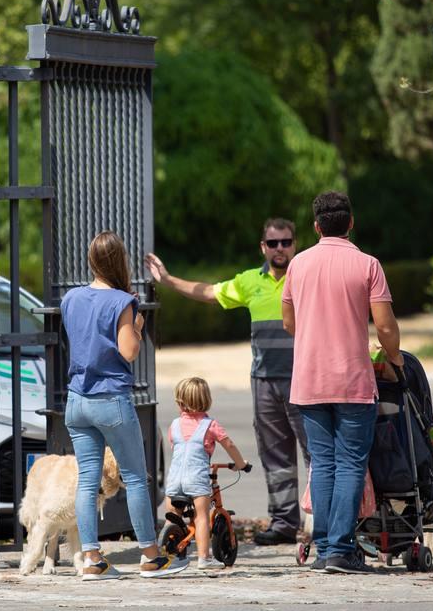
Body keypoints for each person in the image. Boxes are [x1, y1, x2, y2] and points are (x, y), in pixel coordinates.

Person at [144, 219, 307, 546]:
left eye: (285, 242)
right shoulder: (250, 281)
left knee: (317, 454)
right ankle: (285, 523)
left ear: (294, 244)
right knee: (276, 457)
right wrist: (168, 280)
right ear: (263, 246)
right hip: (264, 383)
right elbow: (208, 292)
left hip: (304, 379)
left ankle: (327, 527)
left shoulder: (306, 277)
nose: (279, 249)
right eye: (273, 243)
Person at [281, 192, 401, 575]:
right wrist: (394, 355)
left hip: (309, 380)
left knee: (323, 463)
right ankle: (342, 549)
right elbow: (383, 324)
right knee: (351, 463)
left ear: (316, 226)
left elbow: (289, 322)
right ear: (351, 223)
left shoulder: (297, 265)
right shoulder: (367, 264)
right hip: (352, 379)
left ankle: (322, 548)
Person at [62, 231, 189, 580]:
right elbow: (128, 351)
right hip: (110, 399)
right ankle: (150, 556)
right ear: (120, 261)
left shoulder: (71, 298)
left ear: (91, 260)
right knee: (134, 478)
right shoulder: (122, 302)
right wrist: (137, 322)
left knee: (87, 482)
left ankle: (92, 560)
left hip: (77, 400)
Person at [163, 376, 249, 571]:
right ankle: (204, 558)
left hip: (174, 479)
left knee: (172, 518)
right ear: (206, 400)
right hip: (196, 479)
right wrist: (240, 463)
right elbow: (229, 444)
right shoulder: (210, 425)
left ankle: (167, 553)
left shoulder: (174, 425)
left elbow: (176, 445)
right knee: (201, 517)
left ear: (179, 401)